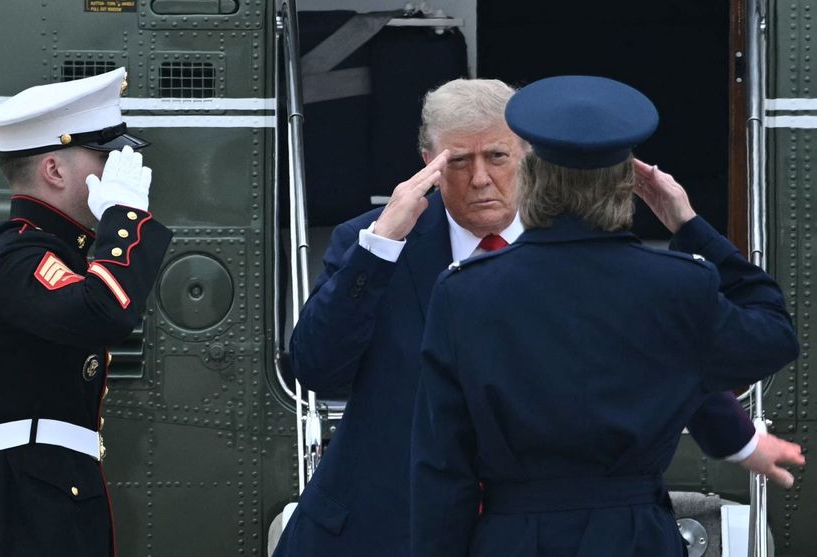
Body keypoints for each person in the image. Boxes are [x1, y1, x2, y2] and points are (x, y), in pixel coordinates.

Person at [273, 78, 803, 556]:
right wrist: (381, 248)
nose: (480, 178)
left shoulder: (580, 255)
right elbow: (317, 370)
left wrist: (736, 436)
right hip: (384, 528)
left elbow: (652, 348)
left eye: (497, 156)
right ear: (426, 162)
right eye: (458, 161)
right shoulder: (372, 243)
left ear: (529, 157)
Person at [0, 68, 172, 556]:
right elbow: (102, 312)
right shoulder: (18, 255)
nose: (119, 165)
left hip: (48, 487)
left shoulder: (59, 255)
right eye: (103, 155)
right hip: (22, 496)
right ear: (54, 171)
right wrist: (124, 221)